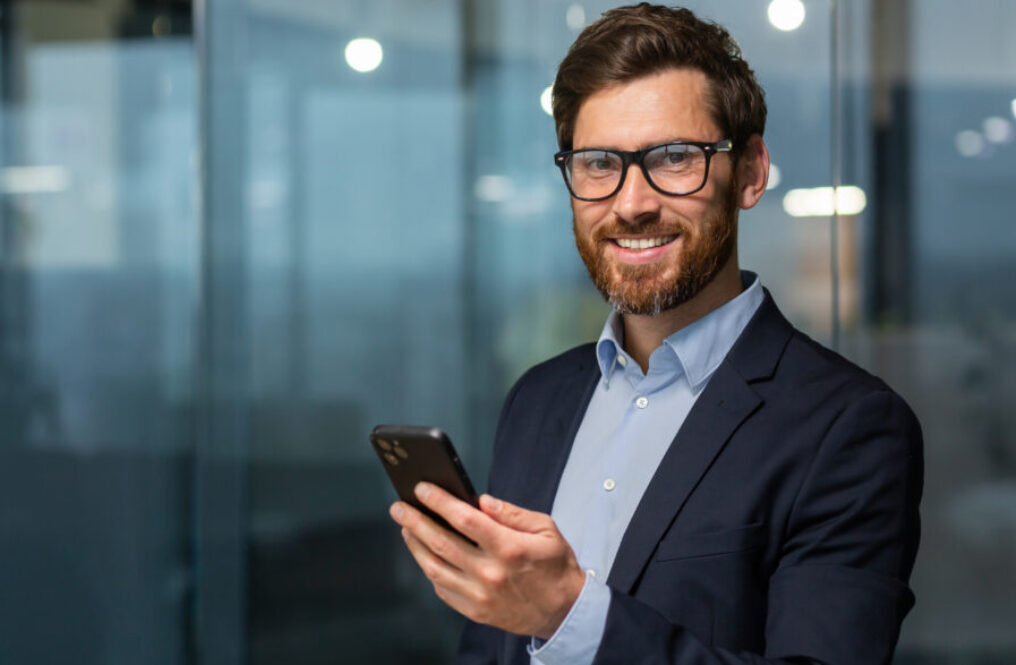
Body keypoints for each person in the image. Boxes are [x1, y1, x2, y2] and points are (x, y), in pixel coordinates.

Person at [388, 4, 923, 664]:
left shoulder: (850, 428)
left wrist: (566, 612)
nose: (632, 201)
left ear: (750, 172)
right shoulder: (538, 398)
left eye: (674, 158)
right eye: (597, 163)